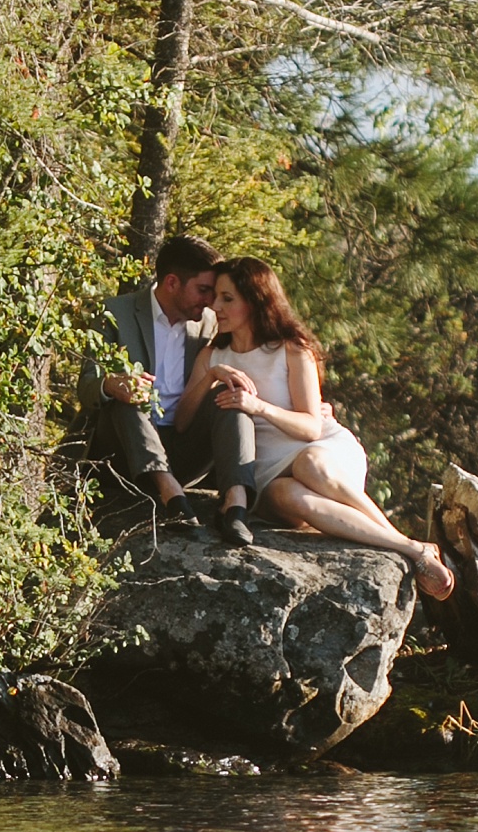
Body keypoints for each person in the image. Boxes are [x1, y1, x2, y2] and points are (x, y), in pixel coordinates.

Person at [176, 259, 454, 597]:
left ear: (255, 300)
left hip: (321, 453)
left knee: (309, 462)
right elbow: (182, 422)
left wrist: (258, 406)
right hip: (265, 473)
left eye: (227, 298)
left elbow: (310, 427)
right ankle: (412, 546)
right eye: (216, 297)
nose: (215, 306)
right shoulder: (212, 355)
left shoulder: (291, 348)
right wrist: (209, 378)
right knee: (288, 496)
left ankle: (409, 549)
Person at [78, 233, 256, 537]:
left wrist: (301, 405)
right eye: (203, 290)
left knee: (232, 400)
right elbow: (86, 387)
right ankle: (171, 498)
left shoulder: (210, 323)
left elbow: (259, 352)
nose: (211, 302)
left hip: (185, 446)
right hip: (124, 449)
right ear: (172, 282)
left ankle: (235, 504)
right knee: (129, 398)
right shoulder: (113, 313)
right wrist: (111, 384)